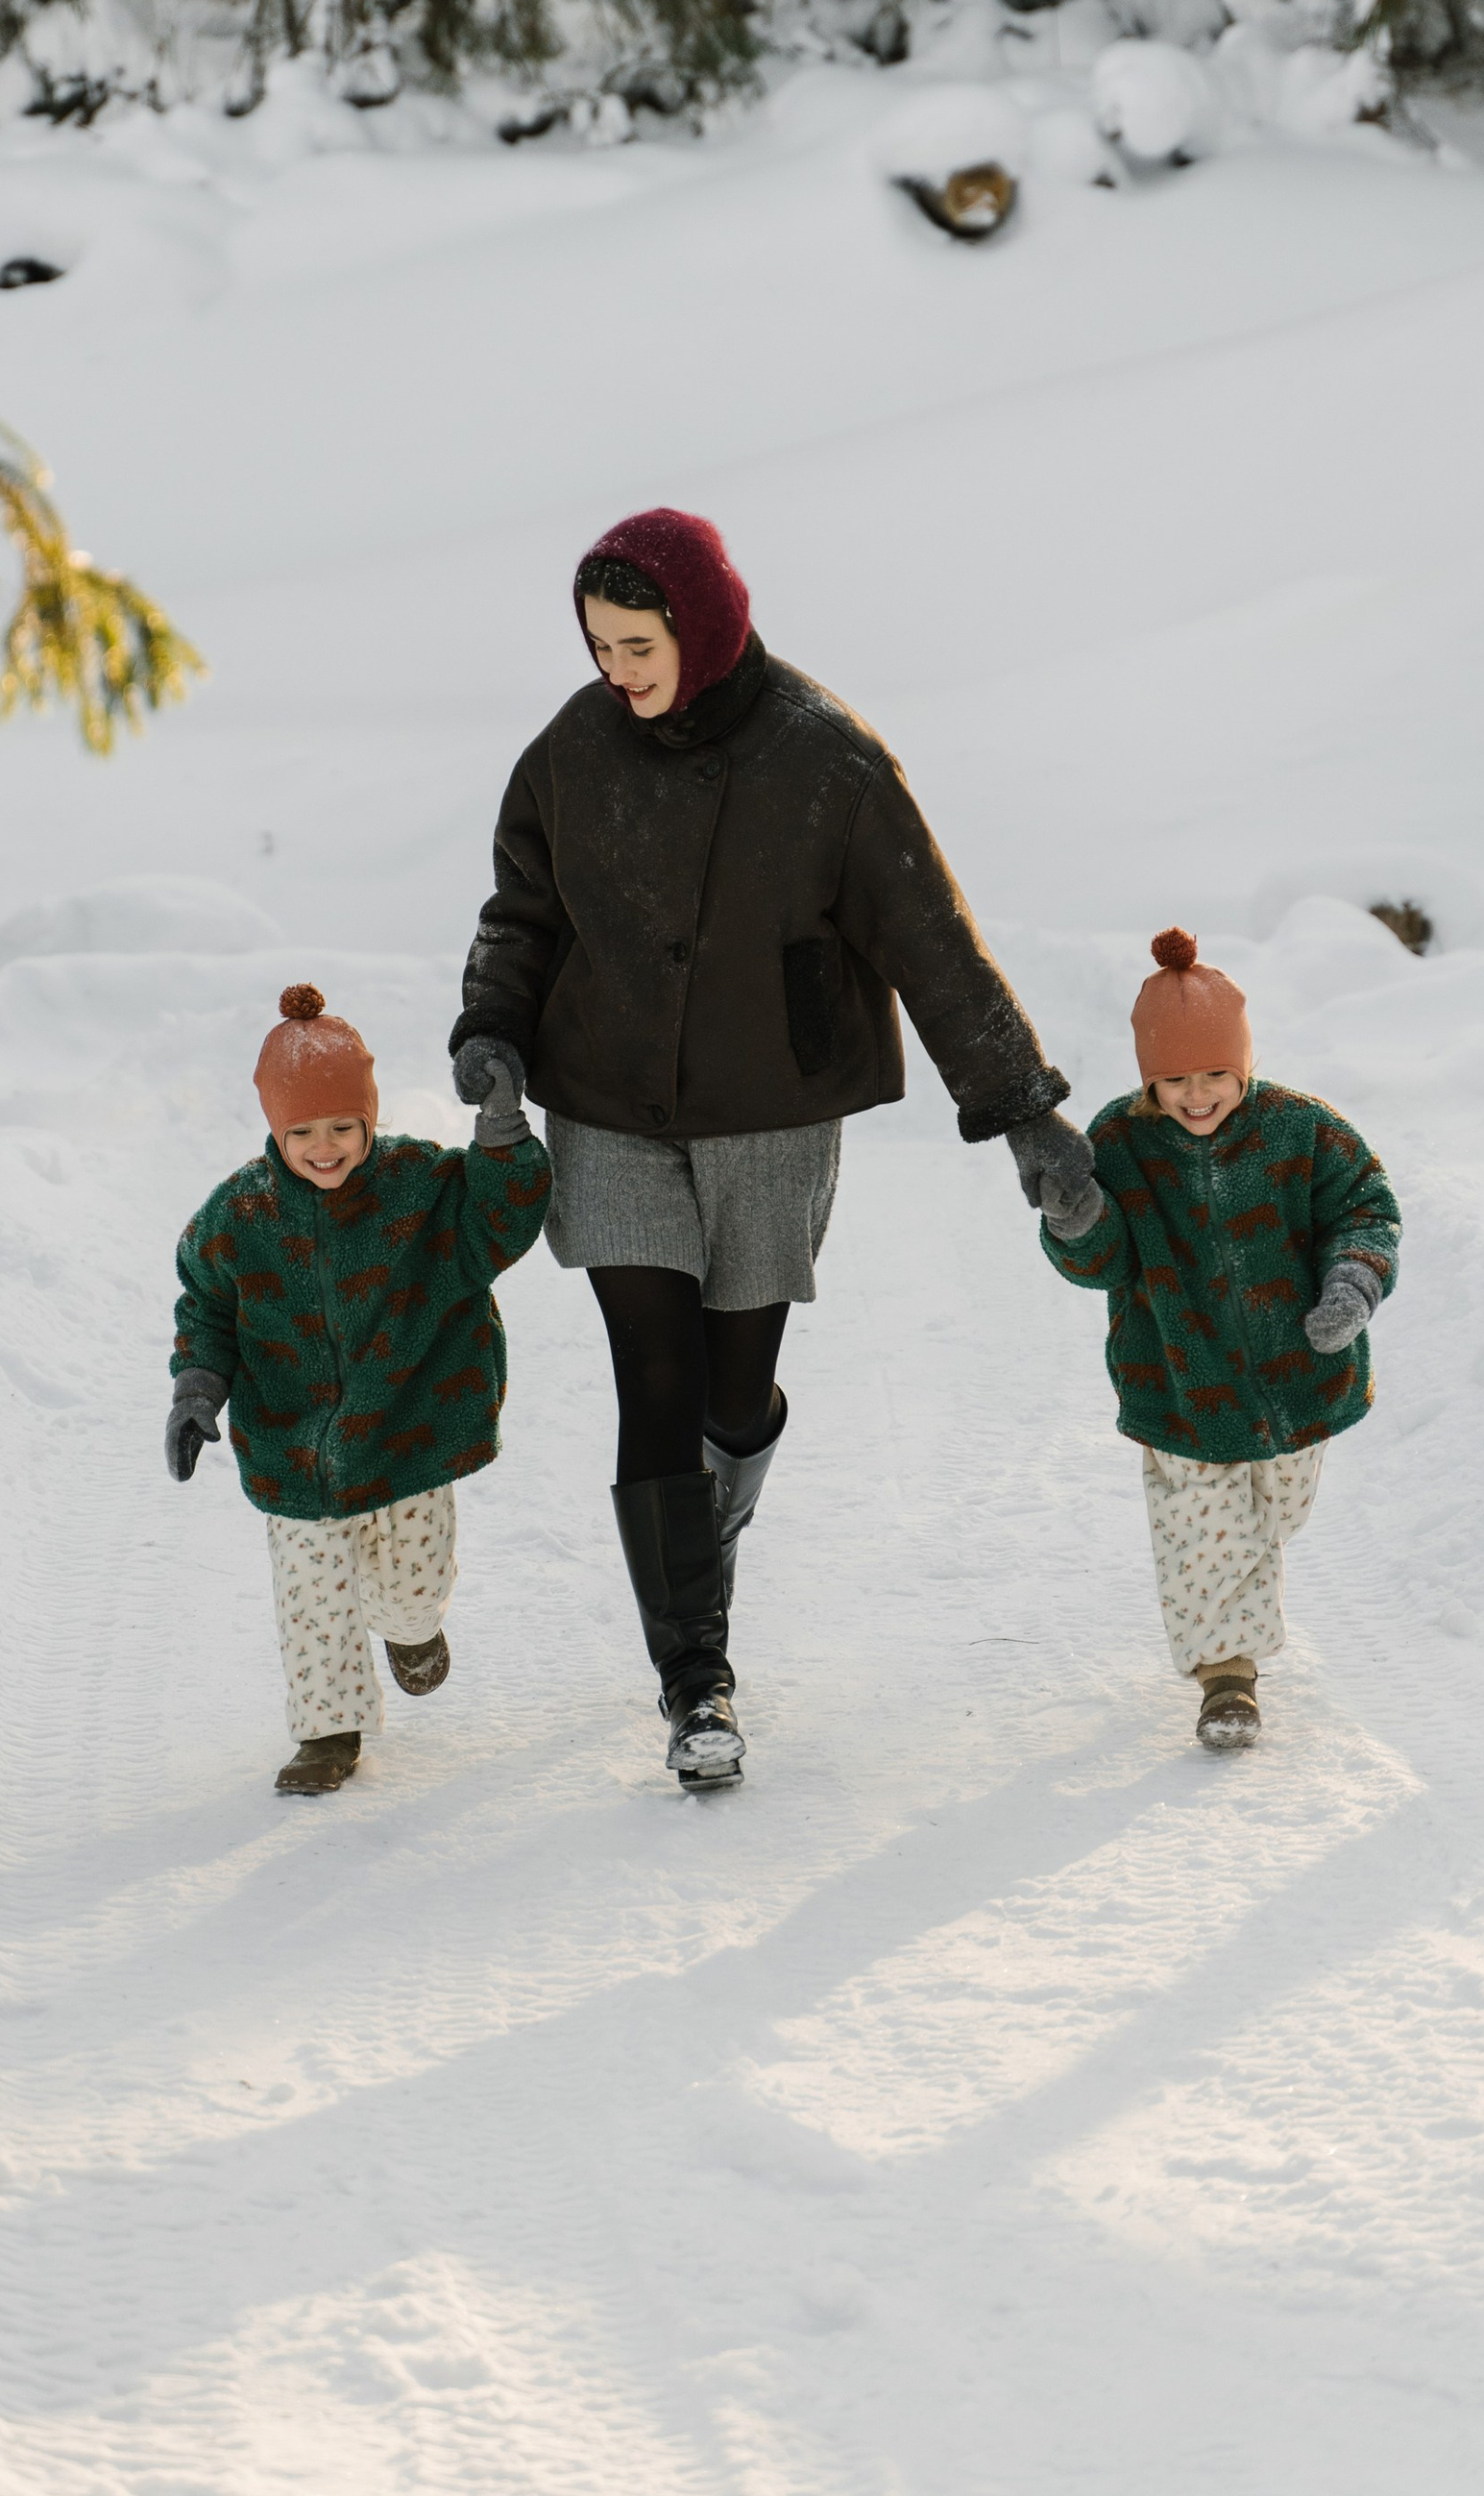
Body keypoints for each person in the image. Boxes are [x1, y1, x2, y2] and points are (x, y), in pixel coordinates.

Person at [450, 505, 1096, 1791]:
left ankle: (713, 1508)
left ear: (705, 623)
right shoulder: (570, 757)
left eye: (637, 645)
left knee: (732, 1397)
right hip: (608, 1101)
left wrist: (1022, 1107)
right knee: (657, 1383)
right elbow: (524, 911)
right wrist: (492, 1026)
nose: (616, 672)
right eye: (598, 647)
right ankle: (697, 1678)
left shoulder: (826, 761)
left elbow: (933, 943)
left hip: (770, 1111)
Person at [166, 983, 551, 1798]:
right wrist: (197, 1389)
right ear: (275, 1128)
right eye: (302, 1131)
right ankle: (327, 1732)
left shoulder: (417, 1186)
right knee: (313, 1595)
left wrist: (502, 1129)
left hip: (408, 1432)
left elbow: (499, 1217)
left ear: (368, 1119)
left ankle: (413, 1631)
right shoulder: (239, 1217)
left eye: (344, 1126)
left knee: (411, 1592)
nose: (326, 1146)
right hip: (292, 1451)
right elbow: (206, 1307)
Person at [1034, 928, 1401, 1750]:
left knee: (1275, 1512)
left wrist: (1354, 1281)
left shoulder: (1301, 1132)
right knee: (1204, 1528)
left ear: (1243, 1067)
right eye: (1174, 1080)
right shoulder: (1121, 1147)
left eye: (1214, 1076)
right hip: (1178, 1377)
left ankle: (1240, 1575)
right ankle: (1227, 1675)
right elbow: (1101, 1263)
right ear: (1148, 1080)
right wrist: (1077, 1218)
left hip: (1298, 1374)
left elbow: (1366, 1209)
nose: (1197, 1095)